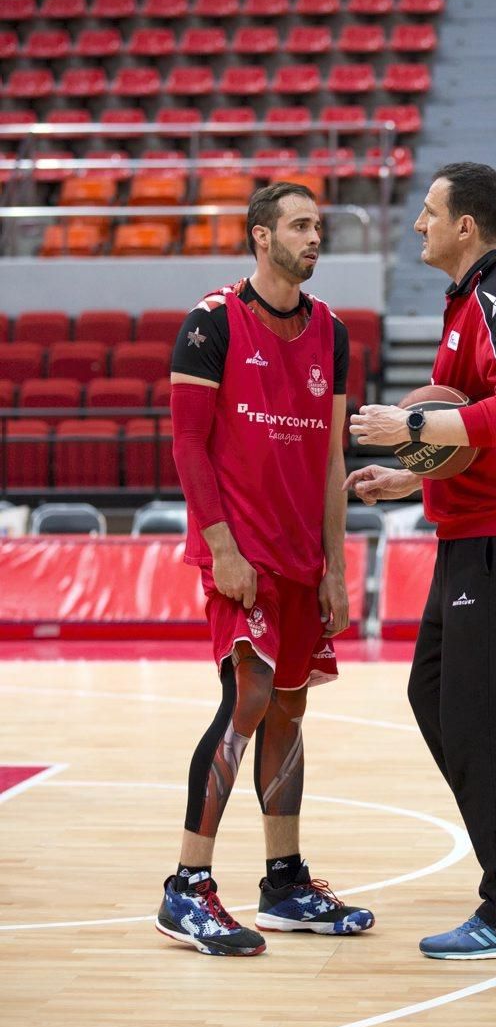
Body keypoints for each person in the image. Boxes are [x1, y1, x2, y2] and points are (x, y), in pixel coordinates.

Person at [346, 162, 496, 960]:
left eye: (430, 210)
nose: (418, 222)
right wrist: (409, 473)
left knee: (488, 720)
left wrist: (402, 422)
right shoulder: (466, 300)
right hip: (470, 531)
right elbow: (461, 442)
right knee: (437, 693)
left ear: (465, 227)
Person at [156, 182, 374, 957]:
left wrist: (336, 568)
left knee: (289, 711)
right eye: (300, 225)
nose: (316, 237)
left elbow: (332, 458)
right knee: (246, 697)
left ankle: (283, 881)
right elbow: (188, 446)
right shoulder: (210, 323)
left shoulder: (335, 332)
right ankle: (187, 885)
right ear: (260, 236)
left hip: (299, 560)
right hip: (239, 553)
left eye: (318, 225)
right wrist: (220, 548)